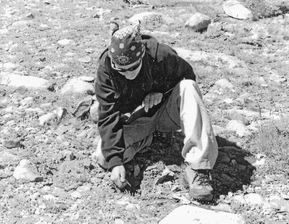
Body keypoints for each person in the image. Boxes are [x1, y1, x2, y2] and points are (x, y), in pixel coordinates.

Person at [93, 21, 218, 201]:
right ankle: (150, 139)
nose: (127, 74)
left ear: (142, 55)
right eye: (121, 70)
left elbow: (188, 77)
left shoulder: (162, 55)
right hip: (137, 120)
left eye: (132, 68)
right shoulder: (106, 69)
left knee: (188, 87)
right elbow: (107, 115)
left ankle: (198, 168)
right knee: (104, 158)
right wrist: (115, 163)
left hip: (167, 113)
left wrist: (161, 92)